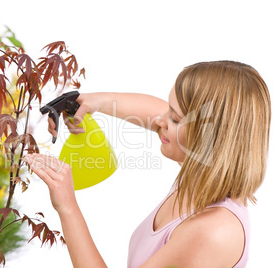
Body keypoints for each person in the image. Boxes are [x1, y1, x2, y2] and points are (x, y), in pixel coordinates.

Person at [23, 61, 271, 267]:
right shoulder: (201, 174)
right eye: (168, 109)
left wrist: (67, 206)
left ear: (208, 138)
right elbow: (156, 113)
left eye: (174, 118)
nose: (160, 120)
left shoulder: (213, 231)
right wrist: (92, 101)